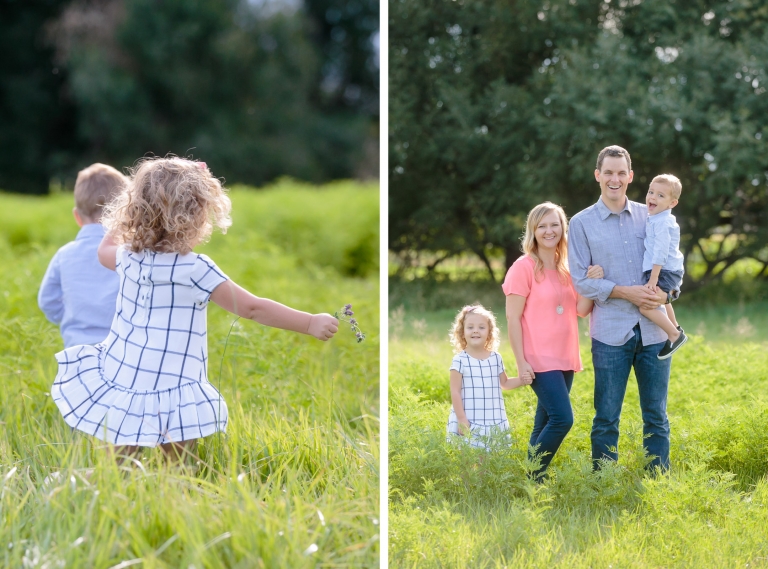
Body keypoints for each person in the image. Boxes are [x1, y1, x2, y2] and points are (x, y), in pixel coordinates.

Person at [50, 157, 339, 460]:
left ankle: (114, 494)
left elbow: (103, 249)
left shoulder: (128, 259)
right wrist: (309, 323)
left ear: (133, 209)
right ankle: (174, 498)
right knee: (178, 466)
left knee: (121, 461)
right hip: (173, 386)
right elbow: (252, 308)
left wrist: (129, 202)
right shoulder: (196, 269)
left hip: (127, 377)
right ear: (198, 214)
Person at [568, 145, 672, 472]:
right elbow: (581, 282)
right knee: (606, 416)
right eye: (608, 172)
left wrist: (667, 296)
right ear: (598, 176)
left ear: (630, 176)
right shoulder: (581, 224)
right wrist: (626, 292)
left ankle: (658, 482)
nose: (615, 179)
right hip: (610, 333)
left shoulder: (653, 215)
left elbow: (672, 264)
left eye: (621, 173)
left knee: (656, 415)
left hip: (654, 332)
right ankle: (604, 484)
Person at [502, 202, 598, 480]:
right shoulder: (523, 267)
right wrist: (521, 362)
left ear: (562, 228)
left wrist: (592, 282)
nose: (548, 230)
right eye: (542, 225)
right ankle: (533, 475)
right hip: (538, 358)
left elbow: (580, 310)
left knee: (544, 420)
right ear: (532, 231)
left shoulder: (568, 267)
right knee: (562, 418)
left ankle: (532, 482)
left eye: (554, 224)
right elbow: (512, 318)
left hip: (565, 356)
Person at [38, 163, 126, 347]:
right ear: (124, 215)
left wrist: (70, 318)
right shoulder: (129, 255)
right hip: (123, 351)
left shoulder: (64, 255)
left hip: (76, 350)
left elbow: (47, 300)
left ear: (77, 216)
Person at [446, 304, 532, 450]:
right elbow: (455, 391)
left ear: (489, 332)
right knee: (468, 463)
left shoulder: (495, 358)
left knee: (487, 461)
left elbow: (504, 383)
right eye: (470, 327)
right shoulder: (460, 360)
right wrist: (461, 419)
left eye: (481, 327)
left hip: (492, 419)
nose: (475, 331)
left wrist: (522, 380)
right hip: (469, 419)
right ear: (462, 332)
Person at [639, 174, 687, 359]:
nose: (652, 197)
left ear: (672, 203)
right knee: (661, 300)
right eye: (651, 192)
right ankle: (675, 328)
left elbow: (660, 252)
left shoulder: (663, 222)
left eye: (660, 195)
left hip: (664, 271)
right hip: (666, 270)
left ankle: (675, 335)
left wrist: (653, 278)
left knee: (646, 306)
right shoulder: (655, 218)